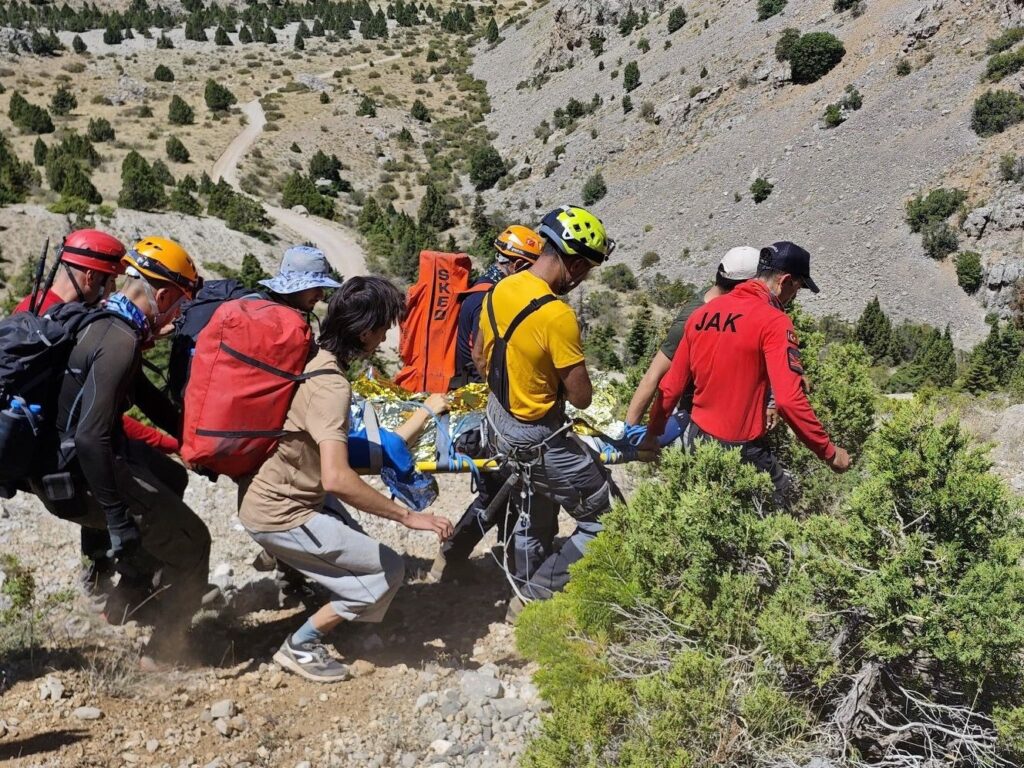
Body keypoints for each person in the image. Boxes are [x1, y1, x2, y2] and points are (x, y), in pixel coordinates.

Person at [238, 276, 453, 683]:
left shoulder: (314, 359)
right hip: (283, 511)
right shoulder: (330, 386)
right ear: (364, 331)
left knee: (362, 556)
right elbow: (337, 477)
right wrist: (409, 517)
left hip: (277, 494)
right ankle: (300, 646)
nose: (387, 334)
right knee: (388, 571)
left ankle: (304, 573)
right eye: (385, 326)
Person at [30, 236, 209, 668]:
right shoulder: (120, 340)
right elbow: (92, 437)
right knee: (196, 544)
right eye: (178, 303)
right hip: (80, 477)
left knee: (172, 479)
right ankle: (165, 653)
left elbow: (148, 399)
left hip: (54, 471)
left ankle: (128, 597)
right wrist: (115, 519)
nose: (176, 315)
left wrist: (196, 443)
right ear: (162, 294)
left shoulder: (101, 320)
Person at [13, 229, 183, 596]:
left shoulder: (34, 309)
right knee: (130, 488)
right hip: (65, 454)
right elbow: (92, 419)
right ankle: (128, 584)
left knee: (158, 477)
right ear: (91, 277)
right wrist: (165, 441)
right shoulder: (69, 324)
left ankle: (111, 577)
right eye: (109, 284)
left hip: (55, 448)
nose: (112, 293)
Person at [473, 204, 619, 615]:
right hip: (538, 434)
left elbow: (482, 358)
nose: (584, 277)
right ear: (572, 263)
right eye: (587, 269)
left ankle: (522, 581)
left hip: (499, 422)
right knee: (603, 522)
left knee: (535, 502)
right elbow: (581, 397)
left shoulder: (502, 288)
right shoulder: (557, 315)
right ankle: (536, 595)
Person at [639, 241, 852, 499]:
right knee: (781, 503)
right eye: (798, 289)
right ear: (785, 281)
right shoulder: (774, 321)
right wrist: (829, 453)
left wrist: (653, 433)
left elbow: (671, 386)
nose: (794, 298)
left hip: (695, 439)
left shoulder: (703, 314)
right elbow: (789, 400)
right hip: (739, 449)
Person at [431, 225, 546, 581]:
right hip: (485, 400)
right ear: (515, 263)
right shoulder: (492, 298)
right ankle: (451, 559)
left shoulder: (480, 291)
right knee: (498, 488)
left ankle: (494, 558)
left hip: (474, 394)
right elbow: (488, 358)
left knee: (502, 485)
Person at [624, 246, 763, 446]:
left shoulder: (726, 305)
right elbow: (653, 376)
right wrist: (629, 436)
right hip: (700, 424)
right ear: (743, 286)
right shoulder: (694, 319)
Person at [257, 244, 342, 314]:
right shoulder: (259, 314)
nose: (321, 296)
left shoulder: (279, 313)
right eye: (315, 287)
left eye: (322, 287)